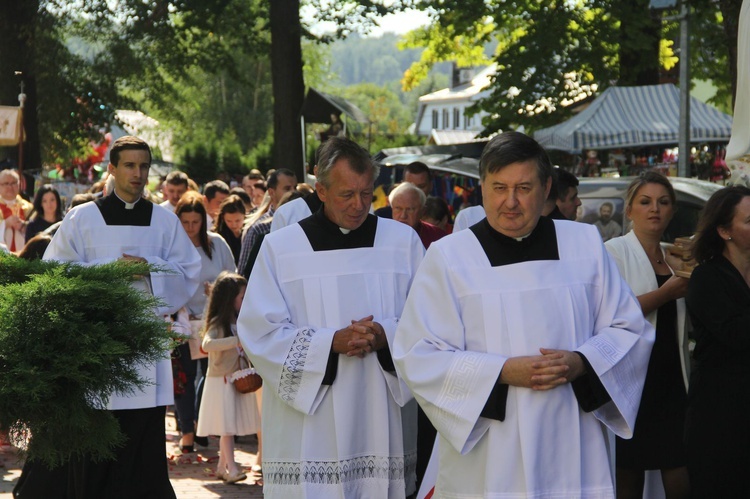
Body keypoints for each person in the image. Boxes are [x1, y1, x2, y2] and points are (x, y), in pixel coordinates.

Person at [393, 131, 654, 498]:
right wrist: (501, 372)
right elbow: (417, 354)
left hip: (570, 436)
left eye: (524, 188)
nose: (510, 202)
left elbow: (629, 329)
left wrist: (581, 362)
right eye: (499, 188)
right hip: (491, 445)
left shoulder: (584, 245)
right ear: (482, 187)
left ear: (546, 187)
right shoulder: (449, 256)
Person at [238, 136, 424, 498]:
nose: (358, 205)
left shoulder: (403, 243)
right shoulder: (282, 247)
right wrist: (329, 343)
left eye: (366, 194)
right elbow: (259, 332)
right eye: (346, 195)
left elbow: (430, 322)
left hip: (380, 413)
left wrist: (385, 334)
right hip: (310, 424)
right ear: (321, 190)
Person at [41, 135, 201, 498]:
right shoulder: (82, 218)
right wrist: (106, 270)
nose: (138, 173)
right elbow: (55, 272)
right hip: (96, 348)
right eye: (129, 165)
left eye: (144, 166)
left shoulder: (164, 221)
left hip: (143, 349)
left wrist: (150, 268)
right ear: (111, 169)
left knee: (141, 450)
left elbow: (189, 272)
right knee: (96, 450)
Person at [605, 171, 690, 498]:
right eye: (645, 202)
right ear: (629, 210)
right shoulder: (614, 252)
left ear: (671, 211)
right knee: (629, 471)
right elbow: (612, 313)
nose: (654, 208)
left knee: (679, 464)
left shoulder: (676, 256)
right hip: (633, 380)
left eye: (663, 202)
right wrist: (667, 293)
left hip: (672, 376)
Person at [684, 185, 750, 496]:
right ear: (724, 230)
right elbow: (737, 335)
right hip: (721, 413)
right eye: (749, 221)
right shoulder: (707, 278)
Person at [173, 191, 236, 453]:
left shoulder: (217, 244)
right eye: (185, 222)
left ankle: (200, 424)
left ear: (203, 221)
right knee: (185, 377)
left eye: (195, 222)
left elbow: (232, 277)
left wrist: (217, 292)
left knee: (207, 377)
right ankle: (187, 430)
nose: (190, 228)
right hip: (183, 321)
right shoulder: (173, 247)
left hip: (213, 322)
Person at [197, 271, 260, 484]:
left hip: (234, 380)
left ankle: (222, 467)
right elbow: (207, 344)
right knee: (226, 429)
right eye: (242, 297)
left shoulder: (237, 322)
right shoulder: (218, 323)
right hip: (220, 381)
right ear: (229, 298)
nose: (246, 301)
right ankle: (231, 468)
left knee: (229, 426)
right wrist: (236, 341)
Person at [236, 168, 297, 276]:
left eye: (295, 187)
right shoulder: (259, 229)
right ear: (271, 192)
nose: (293, 192)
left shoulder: (305, 222)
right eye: (287, 188)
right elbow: (244, 274)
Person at [390, 182, 447, 249]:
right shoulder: (380, 234)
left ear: (422, 211)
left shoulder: (438, 237)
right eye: (398, 208)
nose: (403, 216)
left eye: (410, 209)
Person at [0, 169, 33, 252]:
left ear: (19, 184)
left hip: (24, 253)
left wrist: (24, 227)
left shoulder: (28, 207)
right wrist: (5, 224)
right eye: (6, 183)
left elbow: (36, 230)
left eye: (14, 183)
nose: (10, 187)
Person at [214, 194, 246, 265]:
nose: (233, 225)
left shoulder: (250, 232)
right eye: (229, 221)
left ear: (244, 215)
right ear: (223, 218)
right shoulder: (217, 236)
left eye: (237, 220)